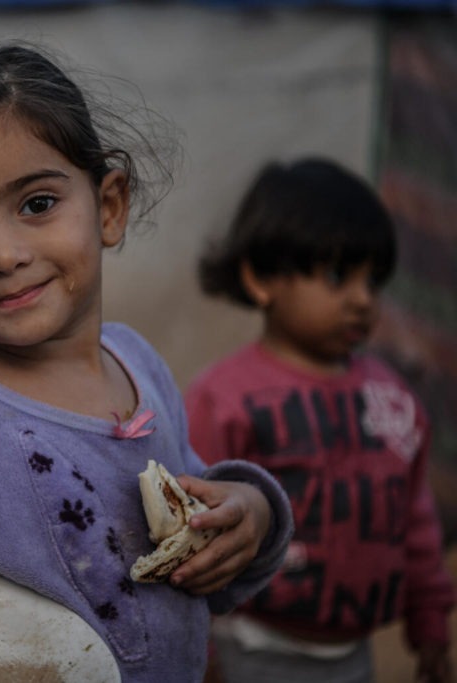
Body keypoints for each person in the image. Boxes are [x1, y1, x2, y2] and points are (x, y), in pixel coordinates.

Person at [0, 44, 293, 683]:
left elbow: (192, 519)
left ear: (108, 207)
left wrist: (252, 515)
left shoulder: (139, 366)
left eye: (37, 203)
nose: (4, 254)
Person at [185, 157, 455, 683]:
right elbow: (192, 526)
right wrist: (201, 647)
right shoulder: (224, 400)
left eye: (373, 281)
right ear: (262, 277)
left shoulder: (394, 400)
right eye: (337, 276)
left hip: (355, 656)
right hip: (251, 652)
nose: (362, 300)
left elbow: (416, 520)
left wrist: (431, 623)